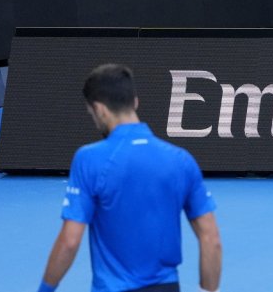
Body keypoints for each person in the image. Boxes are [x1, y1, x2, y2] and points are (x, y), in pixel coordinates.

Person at [38, 64, 222, 292]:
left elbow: (70, 241)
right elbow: (211, 239)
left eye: (92, 114)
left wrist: (44, 290)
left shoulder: (89, 159)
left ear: (99, 109)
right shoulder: (181, 160)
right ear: (135, 101)